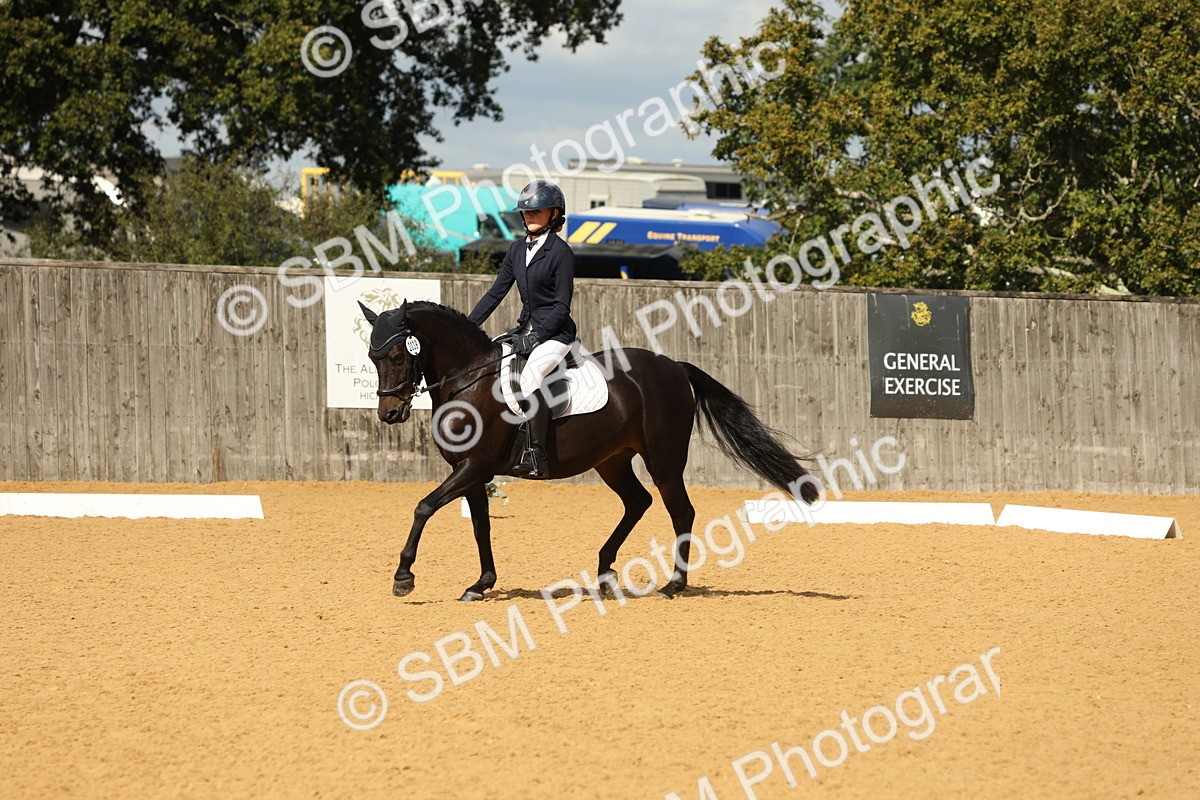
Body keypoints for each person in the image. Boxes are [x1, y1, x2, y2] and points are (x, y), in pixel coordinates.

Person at [467, 180, 577, 479]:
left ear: (554, 214)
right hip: (523, 331)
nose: (529, 216)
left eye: (536, 211)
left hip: (555, 335)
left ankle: (537, 455)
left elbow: (561, 306)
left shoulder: (561, 253)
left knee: (528, 381)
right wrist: (467, 326)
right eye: (525, 212)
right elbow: (495, 294)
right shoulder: (516, 249)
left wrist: (536, 337)